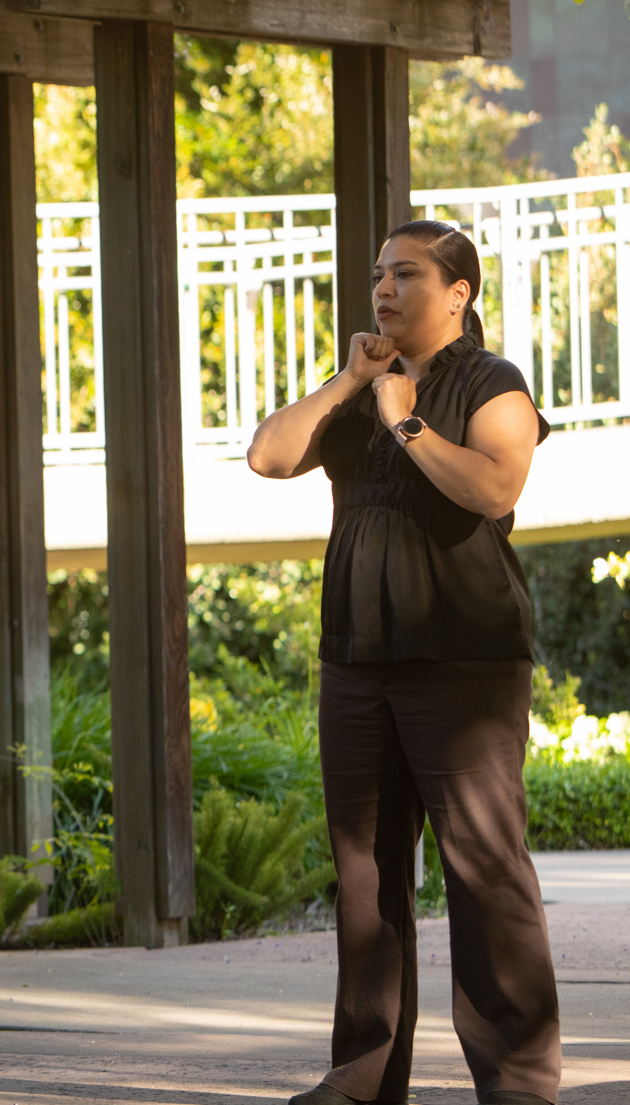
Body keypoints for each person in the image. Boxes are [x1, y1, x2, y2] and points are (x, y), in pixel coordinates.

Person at [247, 221, 559, 1105]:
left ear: (458, 293)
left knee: (484, 870)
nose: (383, 287)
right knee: (366, 875)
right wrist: (353, 382)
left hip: (462, 664)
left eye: (407, 274)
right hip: (356, 659)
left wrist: (409, 423)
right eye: (378, 273)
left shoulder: (494, 383)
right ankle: (363, 1076)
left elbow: (497, 487)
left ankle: (520, 1084)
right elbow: (269, 455)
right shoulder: (362, 387)